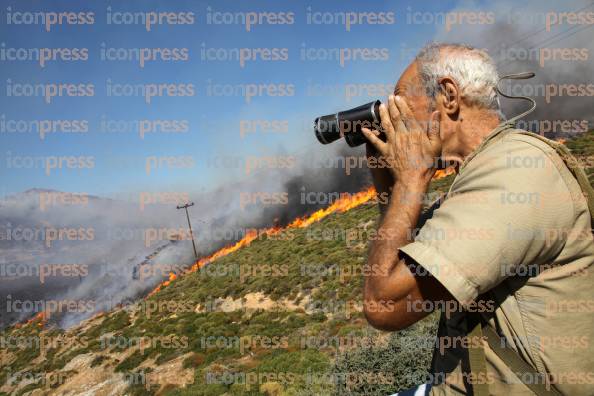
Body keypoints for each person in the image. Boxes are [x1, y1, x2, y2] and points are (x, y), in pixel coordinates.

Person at [361, 43, 594, 395]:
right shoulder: (485, 174)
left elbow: (383, 305)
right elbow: (401, 251)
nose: (397, 117)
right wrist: (385, 170)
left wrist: (412, 177)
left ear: (449, 97)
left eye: (401, 103)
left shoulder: (514, 174)